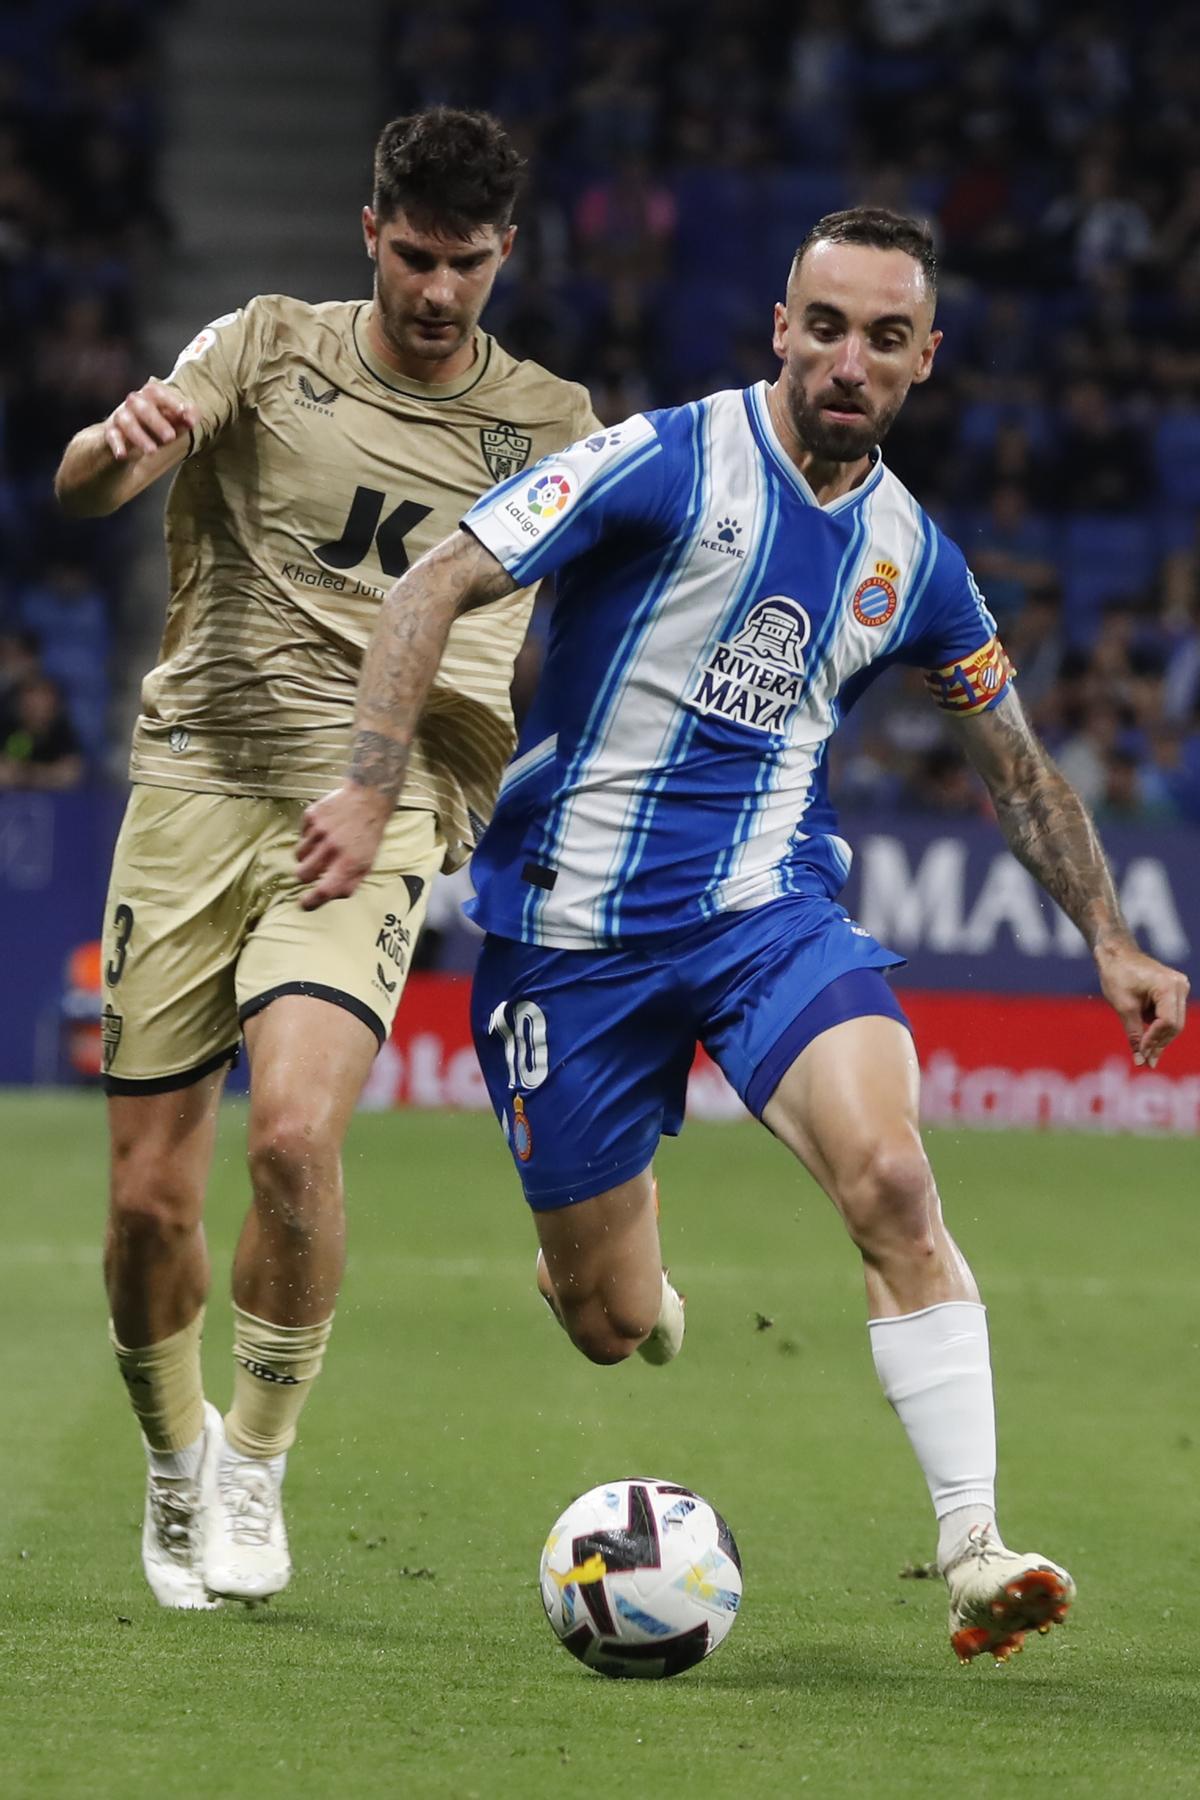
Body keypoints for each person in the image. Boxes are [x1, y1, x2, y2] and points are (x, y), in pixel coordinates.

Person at [297, 209, 1189, 1663]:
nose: (849, 359)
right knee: (604, 1320)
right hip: (568, 939)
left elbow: (1013, 762)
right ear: (781, 325)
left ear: (925, 359)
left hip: (767, 916)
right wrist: (372, 778)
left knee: (895, 1178)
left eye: (884, 338)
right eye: (824, 326)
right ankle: (613, 1264)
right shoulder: (664, 461)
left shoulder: (912, 555)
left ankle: (974, 1544)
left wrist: (1112, 935)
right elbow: (434, 581)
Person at [53, 107, 598, 1612]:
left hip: (385, 799)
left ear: (505, 254)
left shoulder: (555, 423)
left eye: (467, 265)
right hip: (196, 783)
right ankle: (175, 1466)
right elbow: (85, 489)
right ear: (371, 233)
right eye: (414, 257)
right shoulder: (269, 344)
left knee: (295, 1136)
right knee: (149, 1203)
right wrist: (112, 451)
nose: (436, 293)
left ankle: (258, 1460)